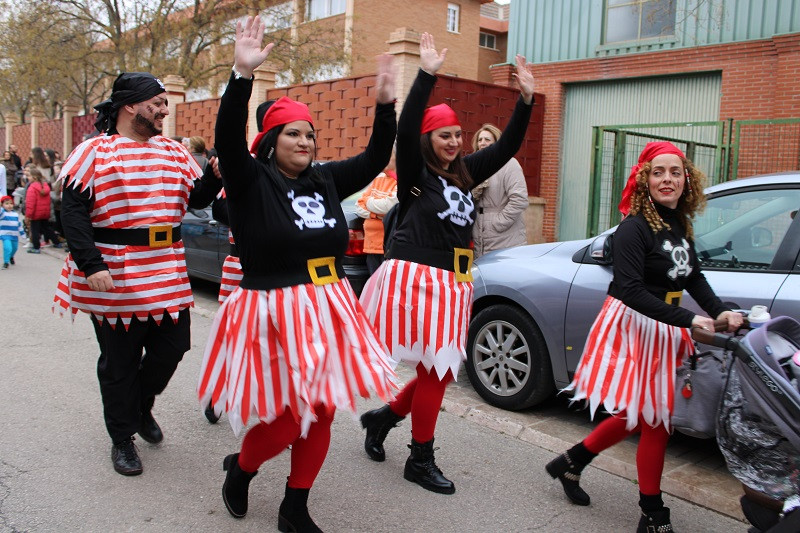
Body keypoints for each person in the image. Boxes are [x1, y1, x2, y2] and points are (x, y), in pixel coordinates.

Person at [196, 16, 396, 530]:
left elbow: (376, 156)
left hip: (328, 305)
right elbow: (225, 137)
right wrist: (241, 75)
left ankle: (295, 505)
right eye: (294, 133)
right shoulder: (250, 180)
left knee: (324, 409)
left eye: (311, 134)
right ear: (270, 140)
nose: (306, 141)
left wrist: (387, 105)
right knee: (286, 418)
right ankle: (240, 470)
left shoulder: (325, 178)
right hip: (271, 310)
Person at [358, 33, 535, 495]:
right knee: (438, 371)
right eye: (445, 135)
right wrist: (426, 75)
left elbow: (508, 146)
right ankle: (420, 459)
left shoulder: (465, 173)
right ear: (427, 139)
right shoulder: (417, 175)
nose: (455, 141)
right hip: (419, 280)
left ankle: (383, 418)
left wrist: (527, 102)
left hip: (455, 282)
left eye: (458, 134)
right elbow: (406, 125)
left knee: (433, 370)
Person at [545, 141, 744, 532]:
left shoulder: (678, 222)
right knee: (654, 420)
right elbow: (631, 290)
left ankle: (571, 461)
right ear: (644, 180)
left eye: (674, 172)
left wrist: (718, 310)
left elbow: (695, 278)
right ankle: (653, 513)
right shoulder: (634, 227)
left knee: (641, 415)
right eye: (658, 172)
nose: (667, 179)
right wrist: (690, 320)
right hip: (635, 326)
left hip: (666, 325)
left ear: (687, 179)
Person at [53, 71, 222, 477]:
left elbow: (193, 196)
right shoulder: (94, 151)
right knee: (120, 361)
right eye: (157, 103)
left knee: (174, 346)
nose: (165, 110)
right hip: (114, 269)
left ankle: (140, 405)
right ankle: (122, 438)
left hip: (166, 266)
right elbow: (72, 214)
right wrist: (91, 264)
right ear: (131, 106)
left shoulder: (172, 151)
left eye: (165, 103)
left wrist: (214, 179)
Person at [470, 124, 528, 259]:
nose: (483, 143)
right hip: (479, 234)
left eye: (487, 139)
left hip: (505, 236)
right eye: (480, 140)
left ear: (497, 142)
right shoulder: (473, 165)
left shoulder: (510, 164)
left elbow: (519, 199)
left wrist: (498, 223)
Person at [355, 147, 397, 273]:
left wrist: (369, 202)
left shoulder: (402, 181)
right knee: (374, 288)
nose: (383, 160)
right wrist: (377, 215)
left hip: (389, 248)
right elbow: (358, 205)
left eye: (388, 156)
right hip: (371, 247)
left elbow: (389, 207)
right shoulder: (378, 179)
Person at [25, 168, 59, 253]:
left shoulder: (32, 188)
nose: (27, 177)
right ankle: (56, 242)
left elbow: (30, 203)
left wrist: (28, 215)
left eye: (29, 176)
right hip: (45, 212)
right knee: (47, 228)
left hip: (35, 213)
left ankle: (36, 247)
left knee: (35, 230)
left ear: (35, 177)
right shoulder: (45, 186)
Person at [0, 195, 21, 268]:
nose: (9, 205)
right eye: (7, 203)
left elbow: (19, 224)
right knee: (7, 248)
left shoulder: (15, 214)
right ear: (2, 205)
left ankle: (11, 256)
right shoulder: (2, 214)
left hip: (14, 235)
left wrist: (22, 233)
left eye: (11, 203)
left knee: (14, 248)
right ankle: (6, 262)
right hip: (5, 235)